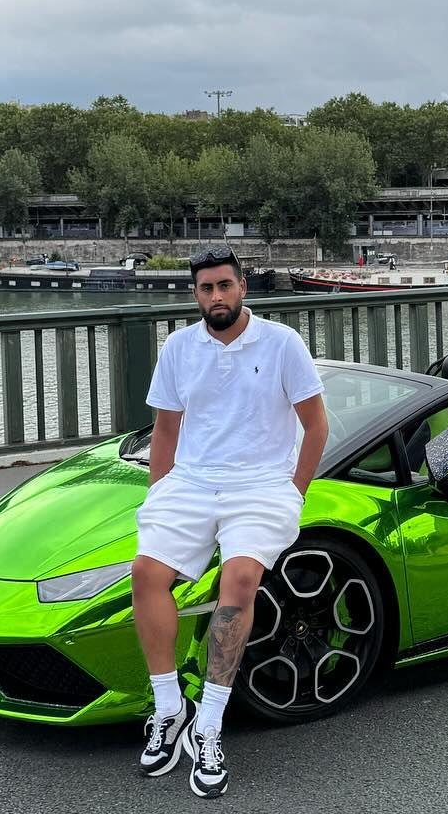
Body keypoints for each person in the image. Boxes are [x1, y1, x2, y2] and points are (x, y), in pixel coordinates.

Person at [131, 243, 328, 799]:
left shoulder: (283, 343)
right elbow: (166, 430)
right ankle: (170, 709)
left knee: (237, 582)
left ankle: (209, 721)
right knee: (145, 573)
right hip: (190, 483)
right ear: (195, 294)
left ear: (243, 287)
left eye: (224, 285)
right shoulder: (178, 348)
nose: (215, 296)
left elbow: (315, 425)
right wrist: (159, 496)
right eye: (204, 288)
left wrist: (293, 494)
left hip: (261, 487)